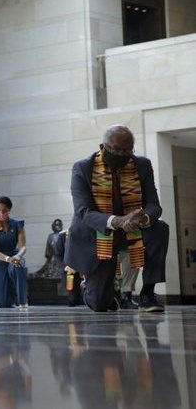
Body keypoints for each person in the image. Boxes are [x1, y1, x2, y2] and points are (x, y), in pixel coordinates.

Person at [64, 125, 169, 312]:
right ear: (104, 146)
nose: (122, 154)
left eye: (128, 150)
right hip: (97, 236)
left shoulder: (142, 165)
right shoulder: (83, 168)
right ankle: (91, 286)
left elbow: (154, 205)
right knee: (100, 304)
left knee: (160, 228)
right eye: (117, 150)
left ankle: (147, 294)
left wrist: (143, 217)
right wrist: (119, 221)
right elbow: (83, 211)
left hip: (133, 230)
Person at [0, 196, 28, 308]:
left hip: (14, 256)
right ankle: (8, 299)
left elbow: (23, 247)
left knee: (19, 266)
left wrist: (18, 256)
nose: (1, 213)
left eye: (4, 211)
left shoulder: (17, 225)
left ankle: (22, 301)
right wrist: (7, 259)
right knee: (1, 302)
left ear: (9, 210)